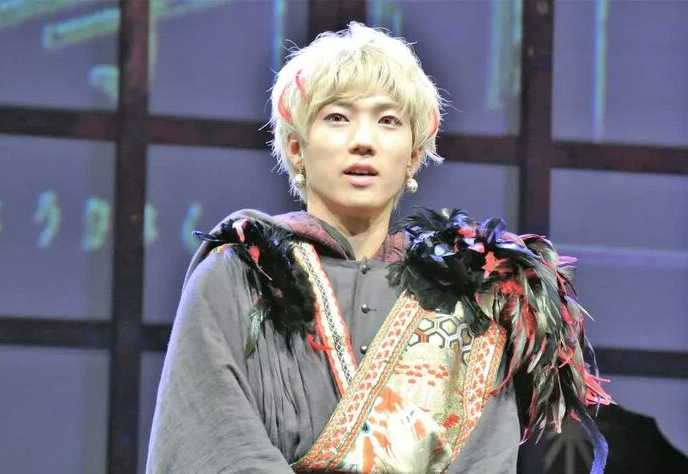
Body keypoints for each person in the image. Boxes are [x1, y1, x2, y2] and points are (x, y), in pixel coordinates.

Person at [146, 23, 611, 473]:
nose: (363, 141)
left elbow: (485, 461)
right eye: (337, 117)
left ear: (414, 154)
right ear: (296, 148)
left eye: (388, 120)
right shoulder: (237, 276)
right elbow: (211, 446)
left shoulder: (470, 300)